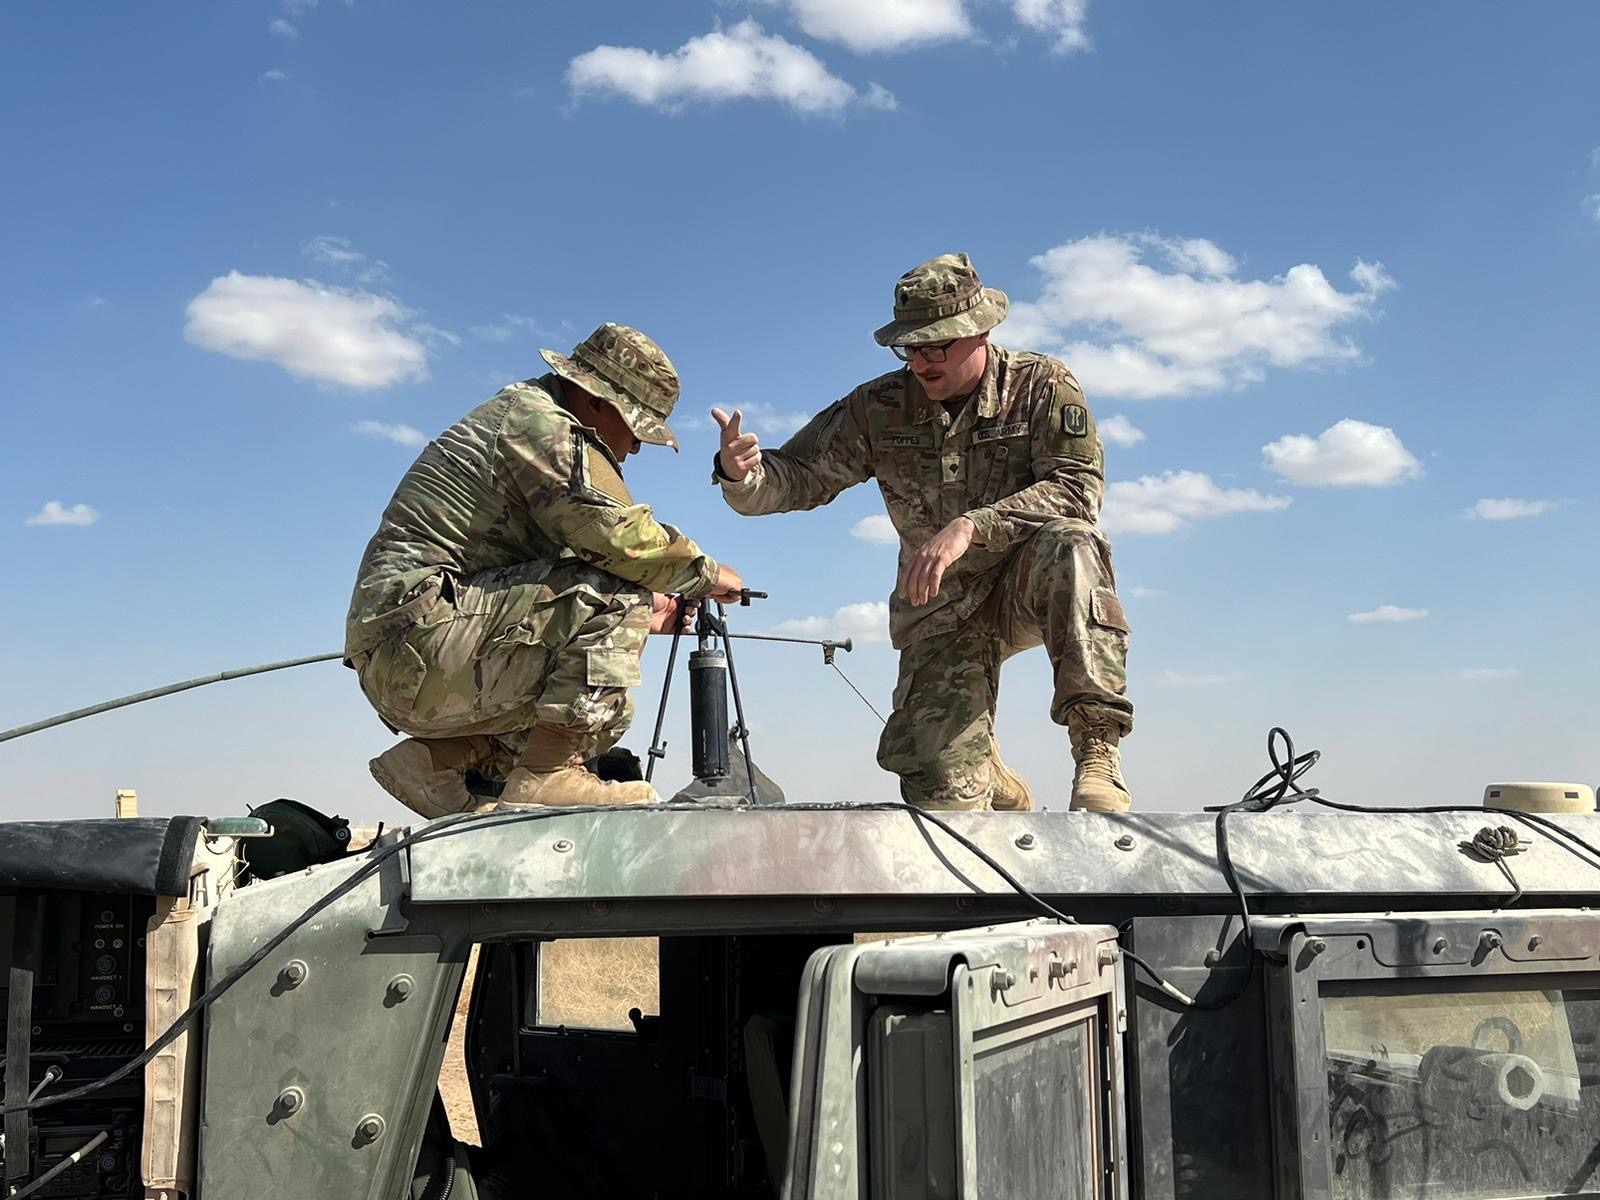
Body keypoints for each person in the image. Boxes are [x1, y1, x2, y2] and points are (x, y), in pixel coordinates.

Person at [711, 254, 1133, 812]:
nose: (921, 361)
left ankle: (1096, 749)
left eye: (936, 346)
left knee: (1073, 544)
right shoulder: (879, 406)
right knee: (943, 796)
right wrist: (742, 475)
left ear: (979, 333)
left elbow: (1078, 489)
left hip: (1026, 582)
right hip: (940, 607)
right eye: (910, 347)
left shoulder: (1042, 386)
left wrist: (972, 527)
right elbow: (802, 476)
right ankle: (987, 773)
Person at [345, 322, 744, 817]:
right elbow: (618, 541)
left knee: (601, 698)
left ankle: (434, 761)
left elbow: (569, 561)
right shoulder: (541, 425)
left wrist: (643, 616)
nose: (637, 447)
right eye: (636, 427)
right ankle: (548, 777)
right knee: (618, 591)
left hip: (414, 652)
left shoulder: (530, 416)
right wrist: (706, 574)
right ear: (594, 398)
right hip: (419, 644)